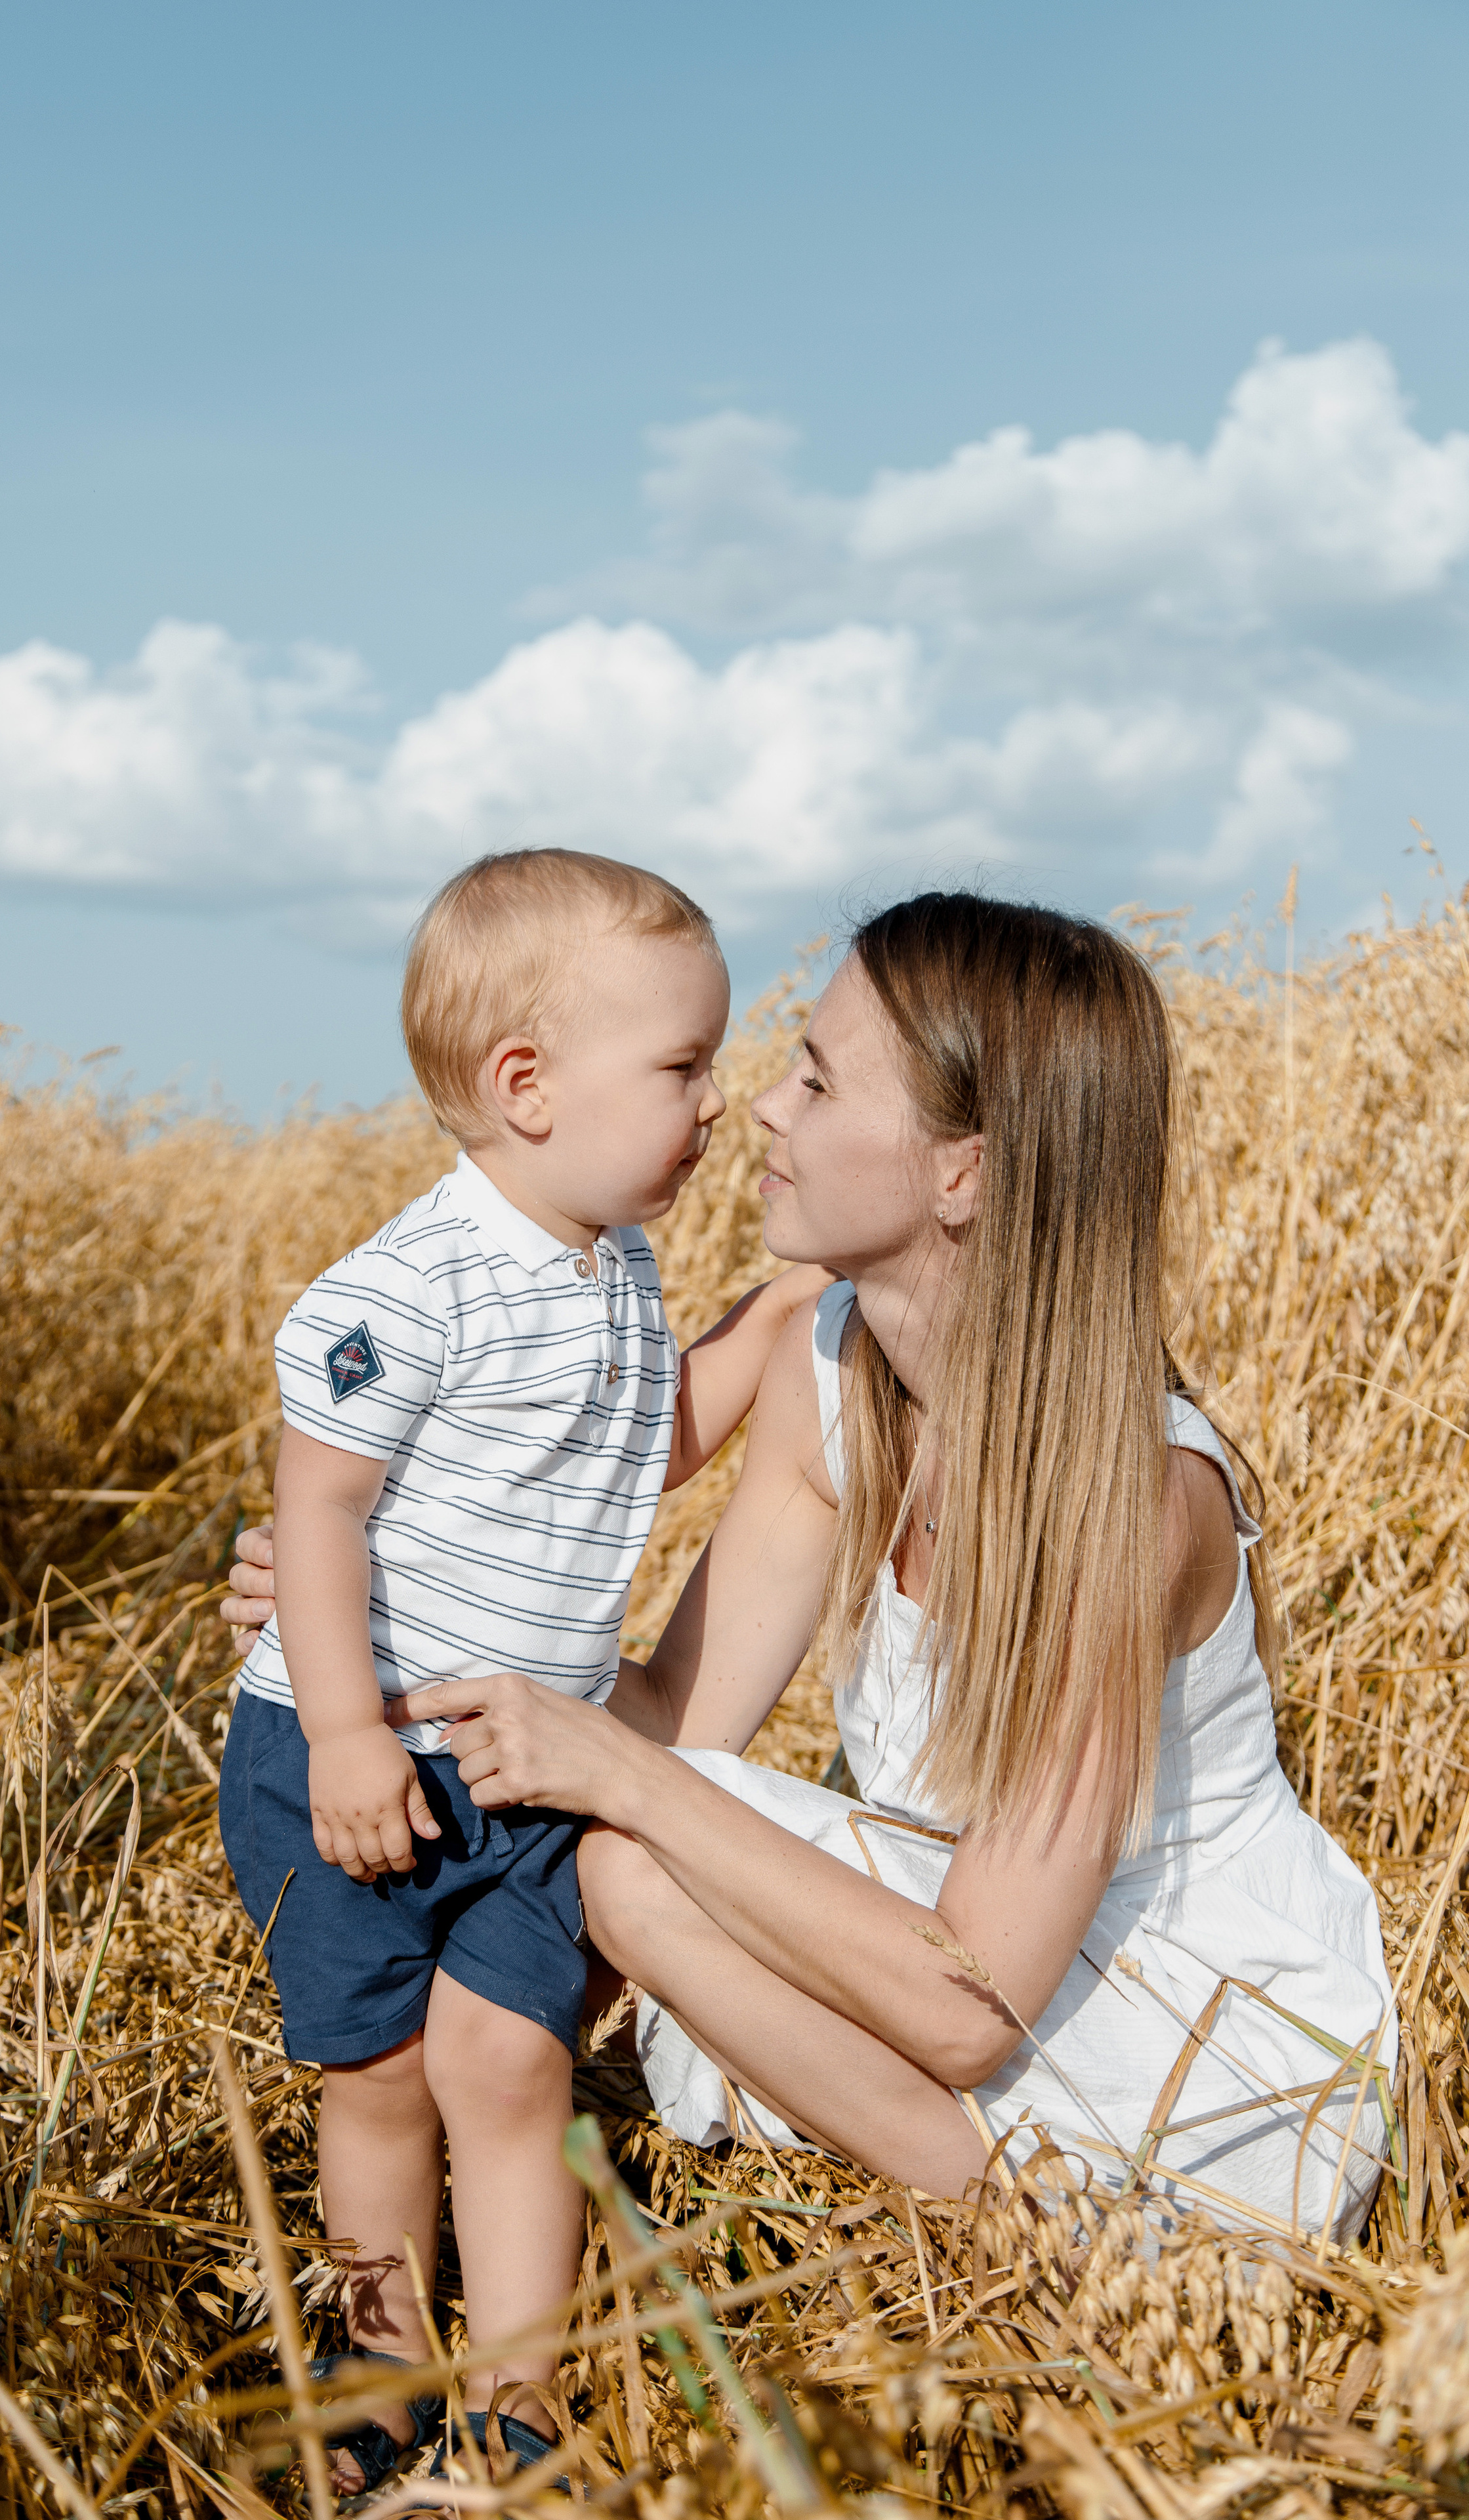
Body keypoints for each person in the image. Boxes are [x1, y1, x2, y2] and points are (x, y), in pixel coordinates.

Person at [227, 889, 1396, 2246]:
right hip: (944, 1925)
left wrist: (622, 1774)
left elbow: (968, 2009)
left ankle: (1056, 2242)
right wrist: (387, 1629)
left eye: (816, 1078)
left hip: (1182, 2043)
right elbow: (678, 1717)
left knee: (629, 1852)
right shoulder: (825, 1364)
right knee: (630, 1843)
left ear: (962, 1170)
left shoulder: (1131, 1501)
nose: (758, 1109)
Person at [219, 847, 826, 2492]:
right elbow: (320, 1513)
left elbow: (641, 1452)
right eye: (685, 1066)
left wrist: (779, 1320)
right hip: (352, 1752)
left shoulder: (612, 1265)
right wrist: (344, 1733)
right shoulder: (408, 1289)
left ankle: (520, 2386)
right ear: (526, 1086)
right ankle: (375, 2349)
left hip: (517, 1758)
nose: (716, 1105)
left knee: (510, 2058)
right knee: (381, 2074)